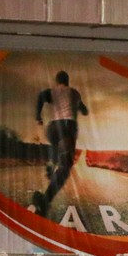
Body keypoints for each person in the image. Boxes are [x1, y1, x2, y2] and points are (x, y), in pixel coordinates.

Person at [33, 70, 89, 216]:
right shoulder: (75, 93)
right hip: (67, 127)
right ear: (67, 81)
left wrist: (38, 116)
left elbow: (41, 96)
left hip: (52, 128)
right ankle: (45, 200)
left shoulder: (53, 91)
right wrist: (83, 109)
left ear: (57, 81)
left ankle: (51, 163)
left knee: (55, 145)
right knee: (65, 167)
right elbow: (84, 110)